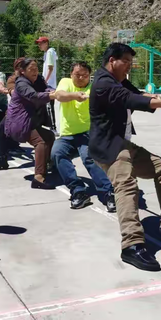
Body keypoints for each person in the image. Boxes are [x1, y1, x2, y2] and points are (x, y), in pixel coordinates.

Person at [89, 43, 161, 272]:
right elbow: (131, 100)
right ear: (112, 60)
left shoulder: (119, 81)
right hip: (109, 148)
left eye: (130, 62)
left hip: (123, 144)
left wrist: (158, 98)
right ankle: (131, 246)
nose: (129, 66)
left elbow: (136, 94)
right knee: (126, 185)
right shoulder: (103, 83)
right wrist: (160, 102)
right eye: (125, 61)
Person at [51, 62, 116, 212]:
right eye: (77, 75)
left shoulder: (94, 87)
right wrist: (75, 96)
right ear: (71, 74)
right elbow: (59, 95)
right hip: (68, 135)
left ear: (89, 76)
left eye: (85, 75)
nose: (81, 78)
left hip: (88, 134)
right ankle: (78, 191)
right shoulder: (65, 82)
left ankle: (108, 192)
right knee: (57, 153)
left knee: (89, 157)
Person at [0, 58, 55, 190]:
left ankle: (48, 164)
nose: (35, 72)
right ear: (22, 71)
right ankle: (38, 177)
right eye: (31, 69)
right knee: (40, 141)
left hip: (30, 118)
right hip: (18, 121)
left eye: (36, 69)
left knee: (49, 136)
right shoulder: (19, 82)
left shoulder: (37, 79)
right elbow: (32, 95)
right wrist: (51, 95)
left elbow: (46, 87)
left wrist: (53, 90)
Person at [36, 36, 58, 134]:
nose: (39, 45)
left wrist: (45, 81)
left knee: (49, 105)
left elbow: (50, 68)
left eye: (41, 43)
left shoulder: (49, 52)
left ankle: (53, 127)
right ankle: (46, 125)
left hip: (48, 84)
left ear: (46, 43)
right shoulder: (48, 53)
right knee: (44, 105)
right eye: (38, 43)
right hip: (48, 83)